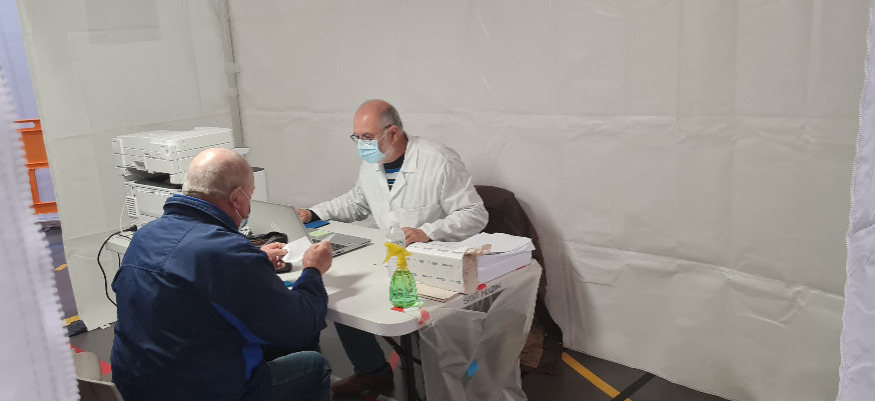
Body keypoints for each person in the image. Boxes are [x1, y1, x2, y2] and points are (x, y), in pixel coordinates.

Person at [296, 99, 488, 395]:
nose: (362, 145)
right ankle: (372, 370)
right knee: (345, 298)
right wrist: (314, 213)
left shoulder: (437, 160)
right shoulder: (373, 162)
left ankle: (451, 380)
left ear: (393, 132)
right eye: (357, 137)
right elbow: (356, 202)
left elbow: (475, 214)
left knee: (437, 353)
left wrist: (428, 231)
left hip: (432, 264)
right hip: (389, 257)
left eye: (367, 137)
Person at [111, 148, 334, 401]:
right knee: (314, 365)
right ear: (237, 198)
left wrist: (253, 260)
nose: (248, 208)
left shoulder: (145, 234)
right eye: (250, 197)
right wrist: (313, 270)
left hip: (133, 387)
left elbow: (188, 273)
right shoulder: (226, 252)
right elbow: (299, 326)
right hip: (201, 393)